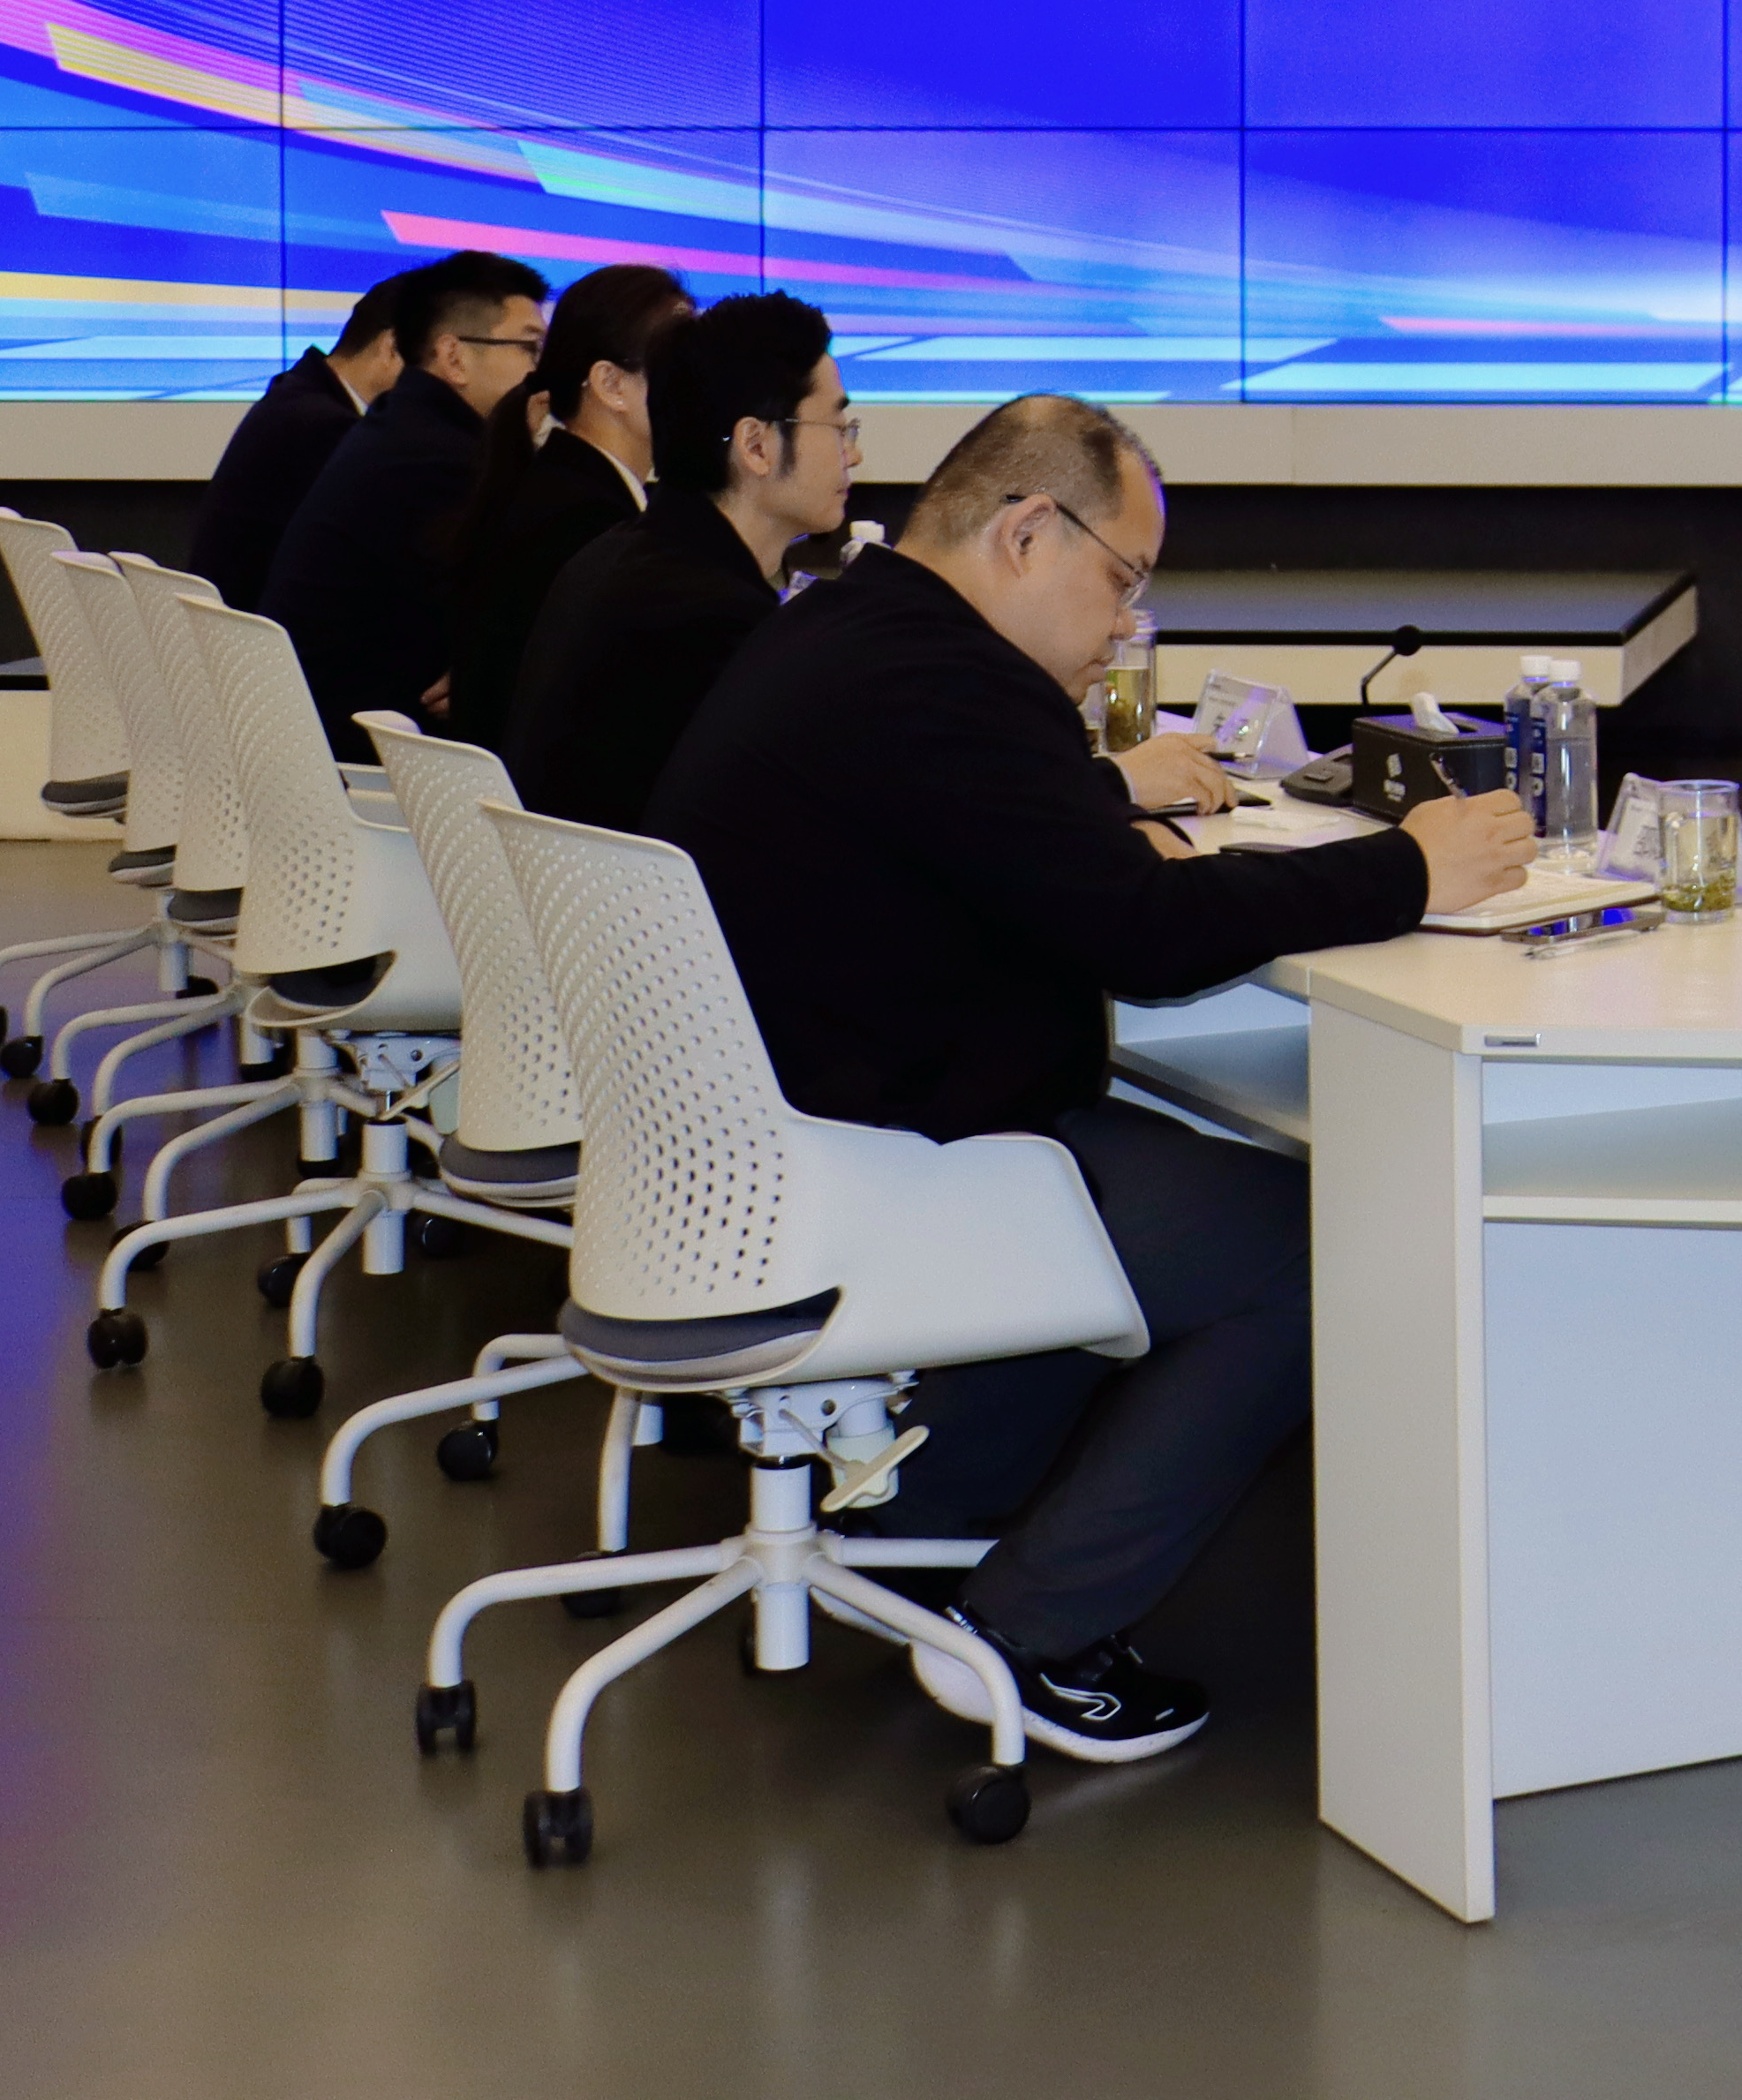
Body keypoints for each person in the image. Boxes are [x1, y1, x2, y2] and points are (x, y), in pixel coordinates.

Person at [646, 394, 1534, 1764]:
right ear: (1025, 534)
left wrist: (1103, 818)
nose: (1128, 624)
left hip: (762, 1148)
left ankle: (917, 1520)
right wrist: (1411, 868)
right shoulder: (948, 683)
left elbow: (984, 842)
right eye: (1123, 580)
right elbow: (1148, 941)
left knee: (1128, 1164)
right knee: (1322, 1249)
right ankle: (1033, 1632)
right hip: (879, 1172)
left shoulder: (849, 629)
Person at [508, 293, 853, 832]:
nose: (853, 454)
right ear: (756, 446)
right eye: (837, 428)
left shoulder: (624, 554)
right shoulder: (711, 616)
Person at [261, 252, 544, 756]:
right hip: (356, 748)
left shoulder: (403, 426)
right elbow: (497, 627)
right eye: (529, 348)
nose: (540, 374)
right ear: (454, 357)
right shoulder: (442, 459)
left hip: (314, 729)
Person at [442, 262, 694, 753]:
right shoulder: (588, 520)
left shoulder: (560, 484)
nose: (703, 390)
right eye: (682, 369)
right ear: (611, 385)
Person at [192, 260, 437, 609]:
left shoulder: (298, 396)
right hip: (272, 632)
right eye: (435, 356)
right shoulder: (327, 428)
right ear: (393, 348)